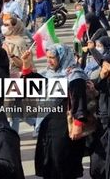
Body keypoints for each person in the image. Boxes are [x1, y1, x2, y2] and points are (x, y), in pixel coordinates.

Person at [21, 44, 89, 179]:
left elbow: (79, 100)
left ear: (62, 57)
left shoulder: (74, 75)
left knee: (61, 159)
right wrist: (26, 63)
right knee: (48, 159)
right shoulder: (50, 73)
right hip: (48, 123)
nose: (49, 61)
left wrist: (78, 123)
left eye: (52, 57)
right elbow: (33, 85)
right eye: (47, 57)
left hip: (64, 125)